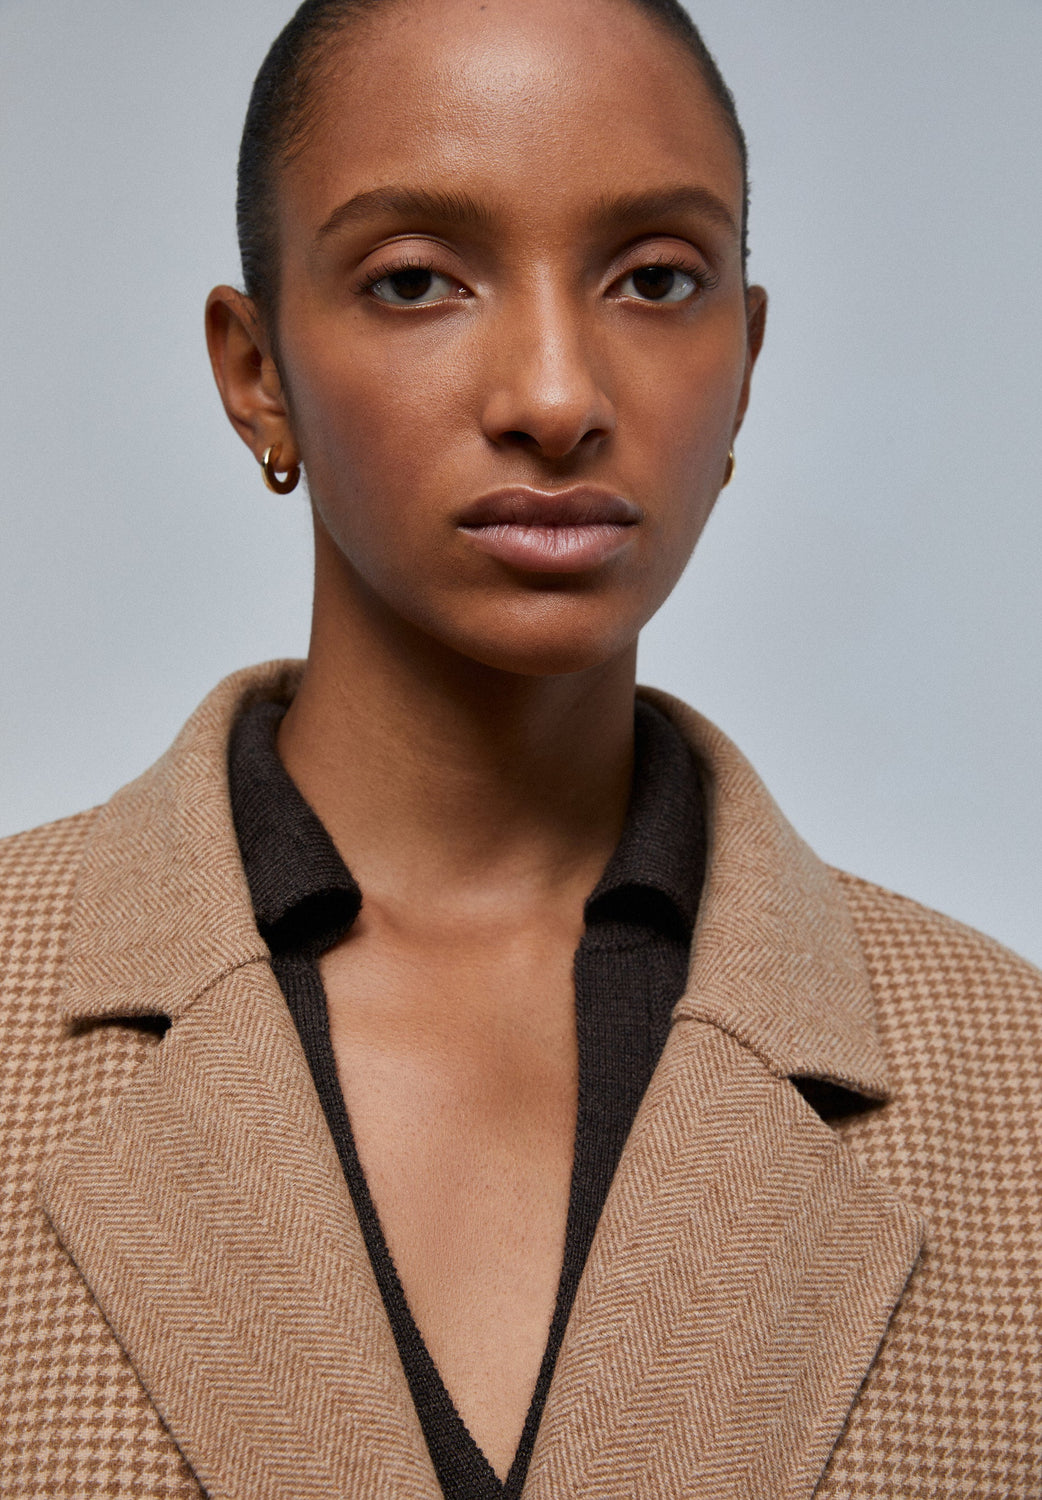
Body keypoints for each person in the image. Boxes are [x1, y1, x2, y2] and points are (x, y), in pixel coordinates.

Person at [0, 0, 1038, 1495]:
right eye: (416, 279)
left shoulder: (1012, 1088)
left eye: (655, 279)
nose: (556, 396)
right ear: (256, 369)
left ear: (745, 359)